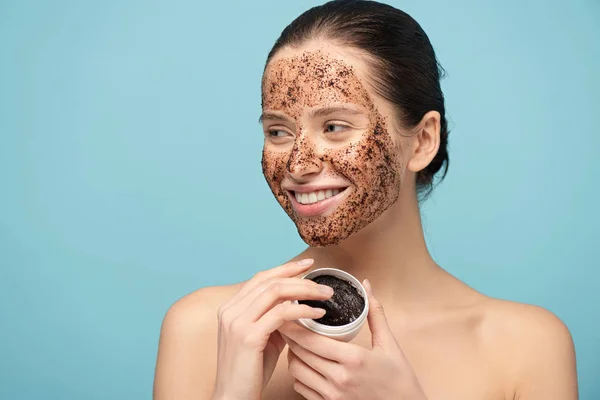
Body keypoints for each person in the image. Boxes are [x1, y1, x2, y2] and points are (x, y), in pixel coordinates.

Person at [153, 1, 578, 399]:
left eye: (335, 126)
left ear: (423, 141)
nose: (298, 164)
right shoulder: (205, 329)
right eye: (278, 131)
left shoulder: (526, 347)